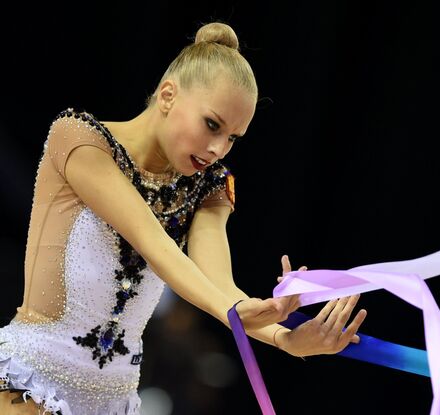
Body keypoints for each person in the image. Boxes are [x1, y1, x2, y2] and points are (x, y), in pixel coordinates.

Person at [0, 21, 367, 415]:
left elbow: (218, 284)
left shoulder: (206, 187)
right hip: (32, 382)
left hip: (113, 401)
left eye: (232, 138)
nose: (217, 149)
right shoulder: (79, 140)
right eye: (212, 125)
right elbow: (154, 243)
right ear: (168, 95)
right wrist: (233, 311)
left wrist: (283, 338)